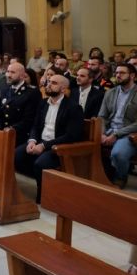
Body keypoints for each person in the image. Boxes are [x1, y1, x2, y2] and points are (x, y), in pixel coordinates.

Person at [14, 75, 84, 203]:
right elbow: (35, 125)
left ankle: (43, 195)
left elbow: (71, 136)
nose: (49, 85)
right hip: (40, 141)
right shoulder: (43, 103)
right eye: (48, 82)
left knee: (40, 164)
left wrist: (44, 146)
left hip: (57, 147)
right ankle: (35, 185)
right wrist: (32, 141)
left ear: (63, 89)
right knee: (16, 155)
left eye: (54, 83)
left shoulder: (73, 107)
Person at [98, 63, 137, 189]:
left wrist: (116, 134)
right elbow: (102, 116)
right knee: (84, 146)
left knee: (118, 154)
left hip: (128, 133)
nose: (118, 75)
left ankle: (121, 177)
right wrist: (102, 133)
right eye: (117, 73)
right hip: (108, 130)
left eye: (122, 73)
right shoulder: (111, 92)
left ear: (132, 76)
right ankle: (96, 175)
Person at [0, 62, 42, 146]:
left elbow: (28, 120)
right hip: (3, 132)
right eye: (8, 71)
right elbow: (0, 113)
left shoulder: (32, 93)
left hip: (20, 135)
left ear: (22, 76)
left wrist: (9, 130)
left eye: (13, 72)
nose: (8, 75)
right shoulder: (5, 89)